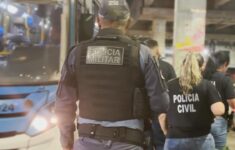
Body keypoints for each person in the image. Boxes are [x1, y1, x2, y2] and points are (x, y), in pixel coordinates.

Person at [55, 0, 169, 150]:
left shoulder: (77, 53)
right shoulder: (141, 53)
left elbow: (63, 103)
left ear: (98, 20)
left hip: (87, 142)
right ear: (128, 22)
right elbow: (160, 103)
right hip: (129, 143)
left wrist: (67, 141)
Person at [161, 52, 225, 150]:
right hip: (201, 137)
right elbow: (219, 110)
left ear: (182, 65)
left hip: (174, 138)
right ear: (202, 67)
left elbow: (161, 114)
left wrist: (166, 132)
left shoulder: (169, 85)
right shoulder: (207, 85)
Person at [141, 38, 176, 150]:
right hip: (161, 115)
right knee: (162, 144)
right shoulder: (167, 67)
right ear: (155, 50)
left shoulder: (137, 66)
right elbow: (174, 91)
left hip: (141, 115)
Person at [203, 51, 235, 150]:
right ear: (225, 64)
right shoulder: (225, 79)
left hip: (201, 119)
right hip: (218, 120)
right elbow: (232, 103)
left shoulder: (203, 76)